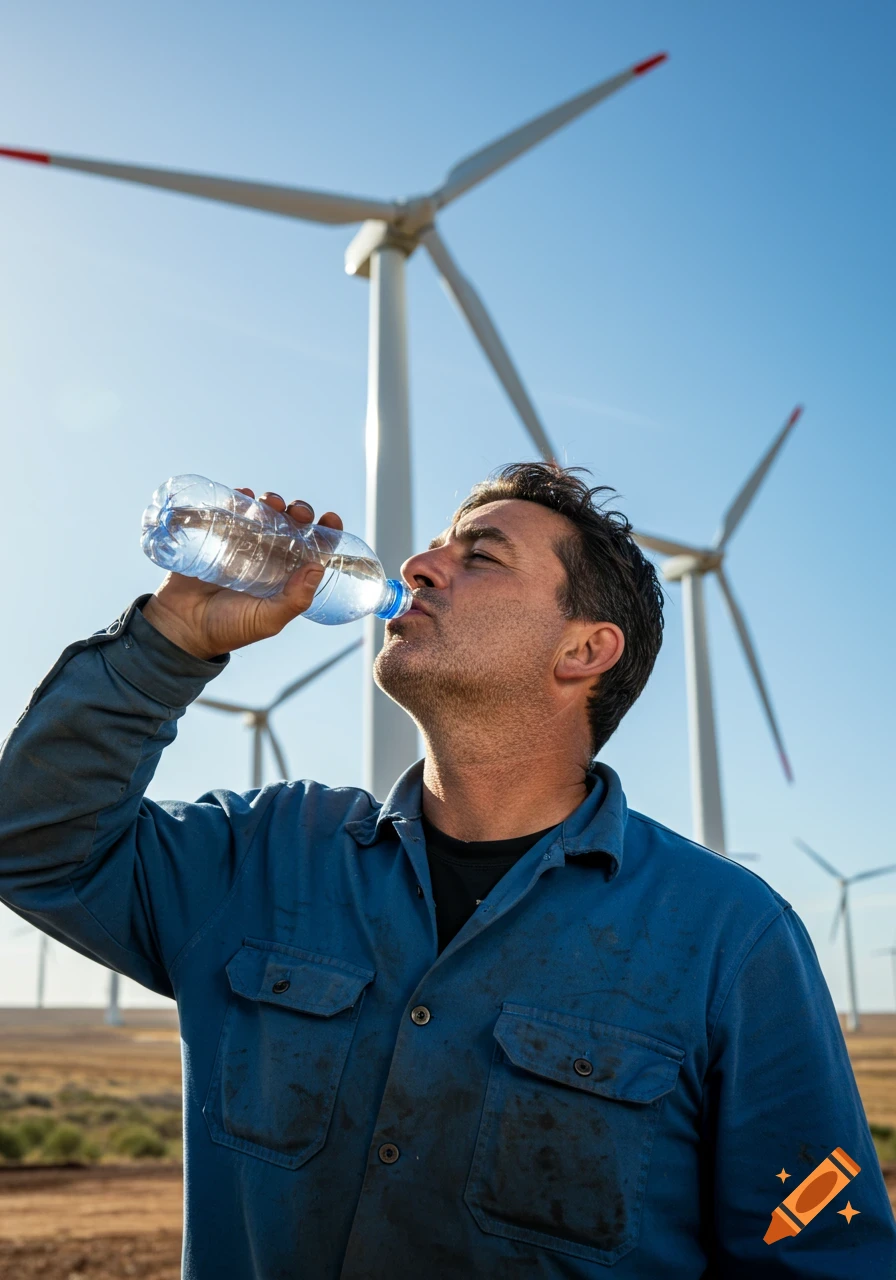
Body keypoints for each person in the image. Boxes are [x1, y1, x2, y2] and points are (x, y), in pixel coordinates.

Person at [0, 463, 892, 1279]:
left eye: (482, 557)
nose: (421, 565)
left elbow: (816, 1257)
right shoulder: (266, 853)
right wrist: (173, 639)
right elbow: (31, 840)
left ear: (584, 651)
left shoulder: (730, 938)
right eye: (435, 546)